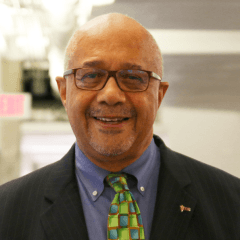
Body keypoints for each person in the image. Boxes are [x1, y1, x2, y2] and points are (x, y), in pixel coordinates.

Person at [0, 13, 240, 240]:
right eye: (91, 75)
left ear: (159, 95)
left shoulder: (230, 203)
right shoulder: (7, 211)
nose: (111, 95)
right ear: (64, 91)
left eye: (134, 77)